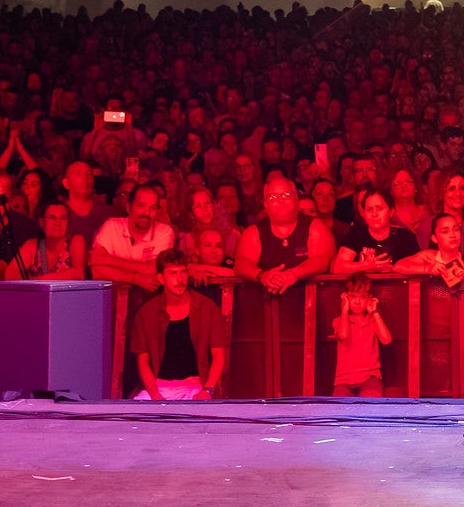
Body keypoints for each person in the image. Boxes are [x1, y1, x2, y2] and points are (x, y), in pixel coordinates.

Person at [130, 249, 229, 401]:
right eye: (173, 273)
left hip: (196, 387)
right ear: (161, 278)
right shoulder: (147, 312)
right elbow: (143, 361)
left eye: (183, 272)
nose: (180, 279)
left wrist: (207, 390)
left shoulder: (207, 307)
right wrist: (155, 394)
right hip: (159, 387)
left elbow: (219, 356)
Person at [233, 171, 333, 297]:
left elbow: (321, 261)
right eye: (273, 197)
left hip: (313, 302)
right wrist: (261, 275)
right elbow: (241, 263)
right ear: (266, 204)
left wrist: (293, 274)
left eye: (286, 194)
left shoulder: (316, 227)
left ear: (296, 199)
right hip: (266, 305)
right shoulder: (253, 232)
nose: (280, 200)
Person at [331, 272, 391, 396]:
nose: (357, 302)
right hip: (344, 380)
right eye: (353, 296)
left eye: (363, 297)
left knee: (368, 406)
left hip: (370, 377)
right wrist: (344, 309)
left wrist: (374, 311)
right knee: (339, 409)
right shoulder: (340, 320)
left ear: (369, 298)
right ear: (346, 298)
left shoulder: (373, 319)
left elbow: (386, 340)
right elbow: (343, 335)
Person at [394, 212, 464, 284]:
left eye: (456, 229)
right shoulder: (428, 256)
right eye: (445, 231)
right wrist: (428, 269)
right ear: (434, 238)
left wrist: (441, 270)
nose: (452, 235)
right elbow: (398, 266)